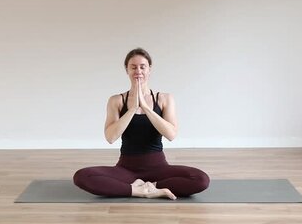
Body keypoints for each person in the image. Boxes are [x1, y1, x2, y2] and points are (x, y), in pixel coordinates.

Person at [73, 48, 210, 200]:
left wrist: (145, 107)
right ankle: (139, 190)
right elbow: (110, 137)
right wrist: (132, 109)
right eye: (133, 67)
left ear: (149, 70)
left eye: (142, 67)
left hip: (159, 168)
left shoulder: (164, 99)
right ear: (127, 70)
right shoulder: (116, 100)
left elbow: (171, 134)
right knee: (82, 176)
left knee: (201, 179)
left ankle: (153, 186)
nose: (138, 70)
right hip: (126, 170)